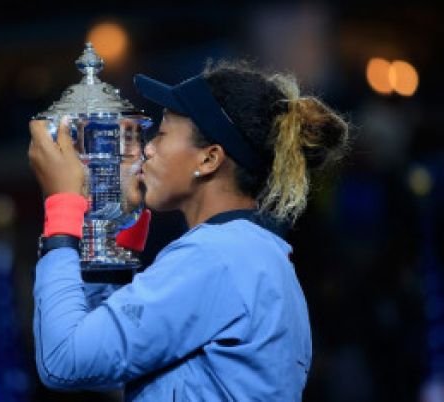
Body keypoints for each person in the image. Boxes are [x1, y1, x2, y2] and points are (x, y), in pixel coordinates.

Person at [27, 60, 348, 401]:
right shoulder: (245, 252)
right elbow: (100, 363)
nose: (147, 149)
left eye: (162, 135)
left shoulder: (218, 257)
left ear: (209, 159)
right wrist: (123, 227)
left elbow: (62, 360)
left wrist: (62, 207)